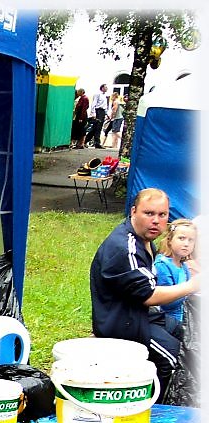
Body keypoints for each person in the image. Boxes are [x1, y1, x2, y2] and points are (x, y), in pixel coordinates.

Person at [90, 189, 200, 400]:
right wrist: (192, 285)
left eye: (162, 215)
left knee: (185, 333)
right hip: (122, 324)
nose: (156, 221)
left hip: (142, 314)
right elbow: (149, 295)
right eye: (149, 213)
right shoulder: (125, 247)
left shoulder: (144, 240)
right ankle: (156, 409)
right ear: (133, 211)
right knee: (173, 358)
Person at [152, 218, 200, 329]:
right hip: (167, 322)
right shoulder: (162, 265)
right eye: (181, 238)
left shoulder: (183, 266)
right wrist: (191, 287)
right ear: (169, 240)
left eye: (191, 240)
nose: (186, 244)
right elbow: (166, 303)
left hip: (183, 319)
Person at [84, 84, 109, 148]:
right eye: (105, 87)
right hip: (98, 111)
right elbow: (94, 103)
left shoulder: (105, 96)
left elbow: (105, 105)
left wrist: (106, 113)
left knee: (96, 128)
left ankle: (86, 140)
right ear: (102, 88)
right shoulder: (97, 94)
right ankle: (97, 143)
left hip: (102, 111)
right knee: (97, 127)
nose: (107, 88)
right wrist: (93, 113)